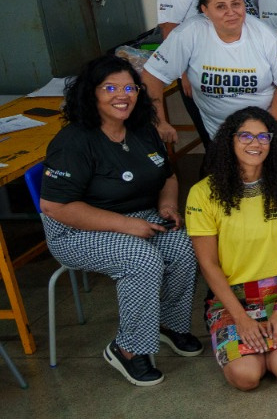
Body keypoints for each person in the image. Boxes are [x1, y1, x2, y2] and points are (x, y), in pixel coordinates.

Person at [40, 55, 199, 387]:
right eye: (110, 87)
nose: (122, 95)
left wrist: (168, 206)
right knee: (142, 259)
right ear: (91, 93)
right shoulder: (74, 141)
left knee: (183, 246)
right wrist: (128, 226)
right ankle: (127, 349)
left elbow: (167, 176)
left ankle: (166, 324)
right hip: (75, 230)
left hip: (139, 216)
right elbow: (55, 206)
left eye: (130, 87)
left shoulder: (142, 130)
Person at [186, 109, 277, 391]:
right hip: (233, 298)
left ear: (273, 143)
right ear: (229, 141)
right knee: (247, 376)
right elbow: (208, 264)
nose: (254, 143)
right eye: (245, 136)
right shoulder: (202, 193)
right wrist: (241, 319)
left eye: (262, 137)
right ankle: (253, 343)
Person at [143, 0, 277, 146]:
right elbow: (152, 75)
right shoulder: (188, 33)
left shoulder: (266, 36)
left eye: (236, 4)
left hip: (264, 128)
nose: (231, 12)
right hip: (219, 132)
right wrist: (159, 121)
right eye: (221, 6)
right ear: (205, 10)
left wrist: (266, 129)